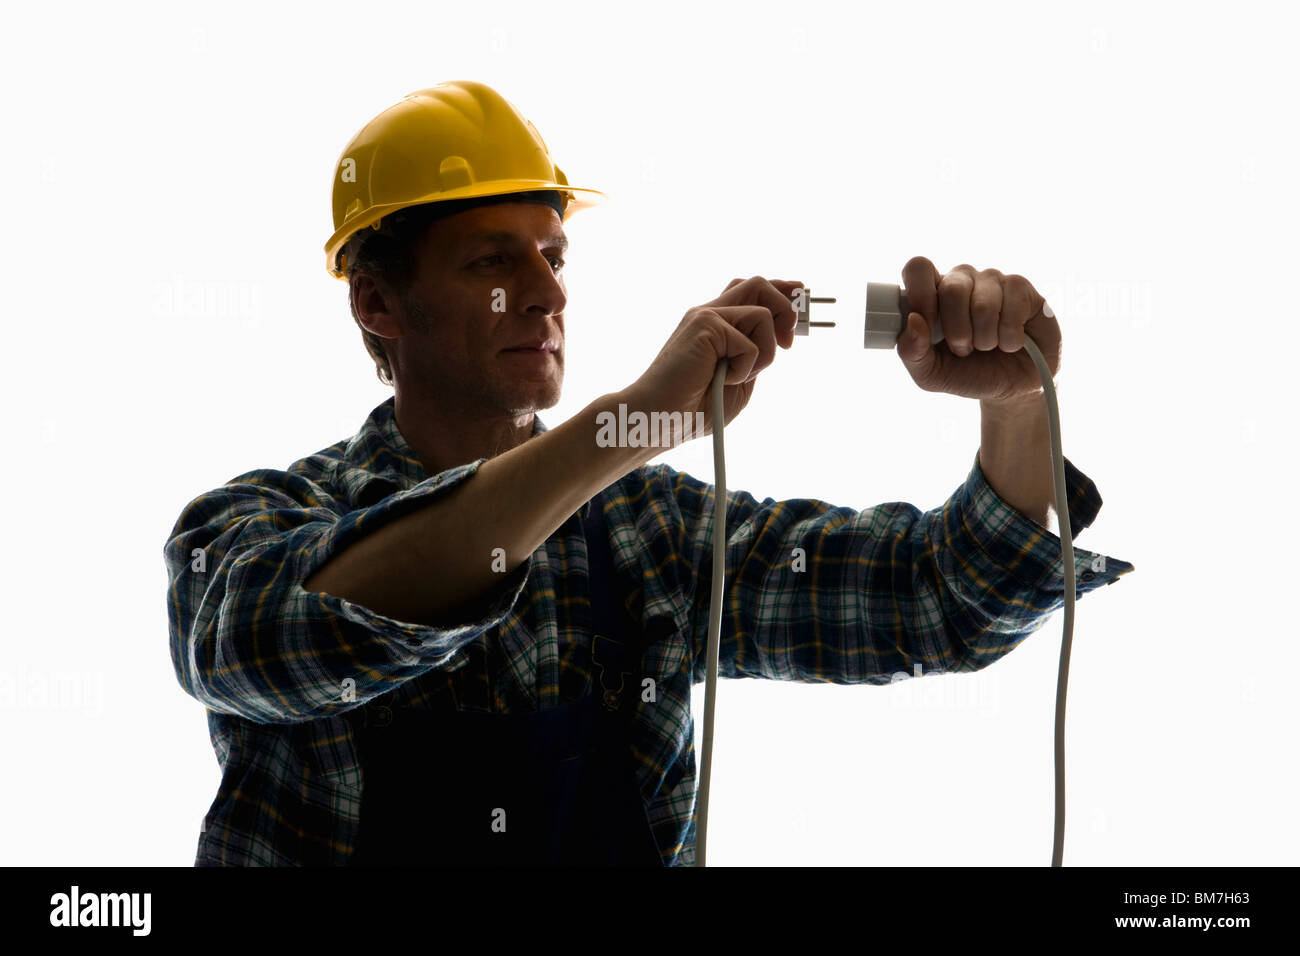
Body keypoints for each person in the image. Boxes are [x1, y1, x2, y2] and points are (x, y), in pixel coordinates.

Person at [163, 80, 1134, 867]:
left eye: (553, 253)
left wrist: (1011, 405)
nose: (548, 292)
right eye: (495, 262)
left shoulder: (646, 533)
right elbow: (293, 635)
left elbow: (936, 599)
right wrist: (633, 422)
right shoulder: (249, 526)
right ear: (377, 302)